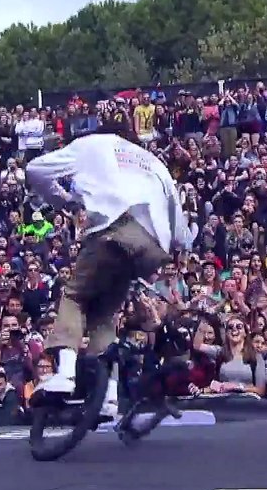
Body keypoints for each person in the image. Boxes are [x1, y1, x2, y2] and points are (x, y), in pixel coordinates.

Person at [24, 122, 194, 418]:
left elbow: (35, 170)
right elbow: (180, 232)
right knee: (103, 315)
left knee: (75, 296)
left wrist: (64, 201)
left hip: (114, 229)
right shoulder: (153, 162)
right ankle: (109, 398)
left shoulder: (92, 144)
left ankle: (65, 374)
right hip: (154, 247)